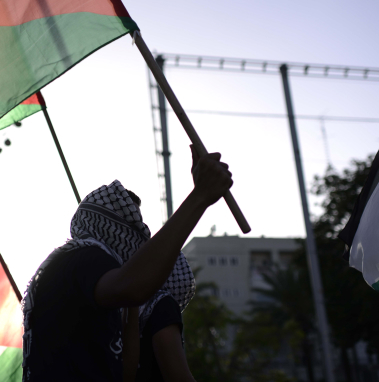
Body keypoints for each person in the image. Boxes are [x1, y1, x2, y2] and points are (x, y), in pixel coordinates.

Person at [21, 147, 232, 381]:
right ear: (111, 227)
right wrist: (200, 196)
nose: (139, 238)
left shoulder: (89, 277)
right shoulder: (85, 257)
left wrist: (132, 304)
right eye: (132, 227)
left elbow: (124, 374)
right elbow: (133, 286)